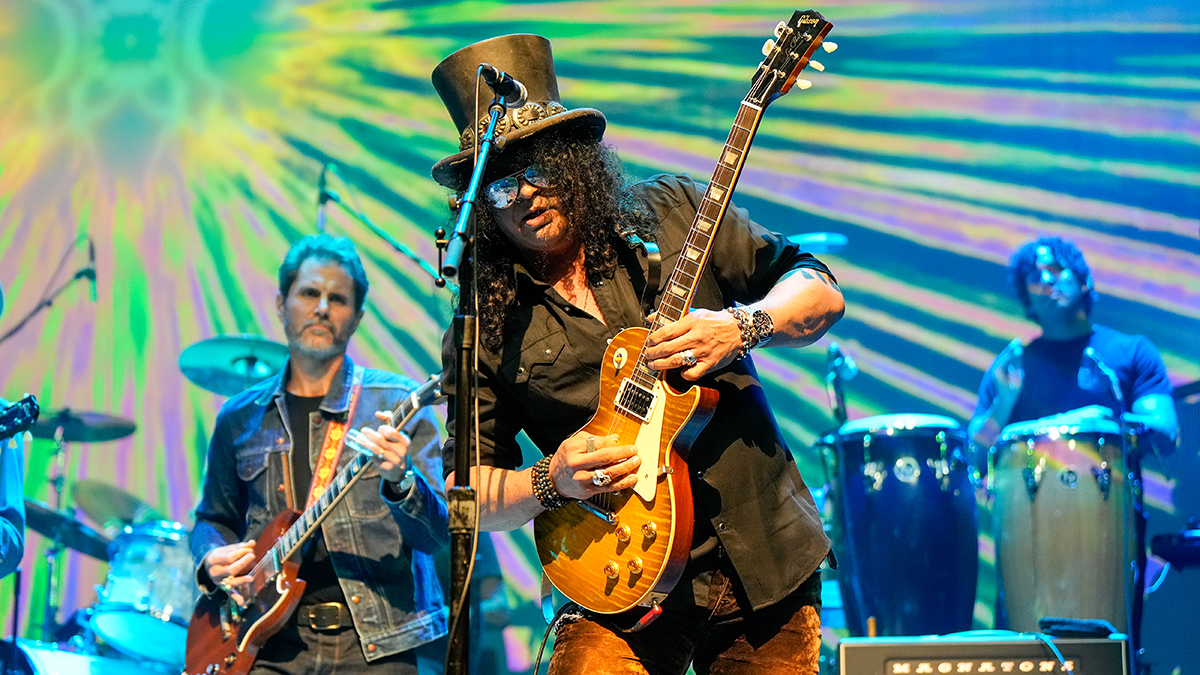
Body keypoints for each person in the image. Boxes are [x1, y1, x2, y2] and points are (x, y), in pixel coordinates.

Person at [430, 35, 845, 675]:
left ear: (574, 163)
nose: (526, 195)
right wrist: (549, 480)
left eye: (540, 169)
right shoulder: (484, 322)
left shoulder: (673, 213)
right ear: (478, 204)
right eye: (501, 186)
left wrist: (744, 325)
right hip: (614, 581)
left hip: (763, 561)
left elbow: (820, 292)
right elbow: (464, 496)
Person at [191, 234, 448, 674]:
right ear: (281, 304)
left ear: (357, 317)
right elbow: (213, 519)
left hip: (377, 645)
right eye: (310, 293)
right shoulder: (238, 416)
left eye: (338, 299)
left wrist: (402, 481)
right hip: (267, 643)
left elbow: (437, 534)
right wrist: (209, 558)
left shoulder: (397, 403)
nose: (323, 308)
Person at [968, 236, 1178, 452]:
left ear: (1084, 281)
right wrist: (1003, 403)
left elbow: (1165, 432)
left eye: (1057, 269)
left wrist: (1105, 423)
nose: (1046, 280)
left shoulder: (1133, 352)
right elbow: (976, 455)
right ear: (1027, 299)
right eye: (1034, 276)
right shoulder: (1010, 369)